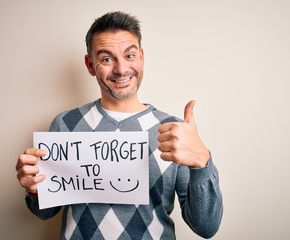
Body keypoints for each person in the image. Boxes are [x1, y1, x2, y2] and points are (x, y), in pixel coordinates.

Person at [16, 11, 223, 240]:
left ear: (142, 57)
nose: (121, 69)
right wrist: (34, 190)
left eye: (130, 55)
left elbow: (206, 227)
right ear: (90, 64)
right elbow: (45, 212)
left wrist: (202, 162)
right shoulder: (65, 124)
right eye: (106, 59)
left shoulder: (173, 130)